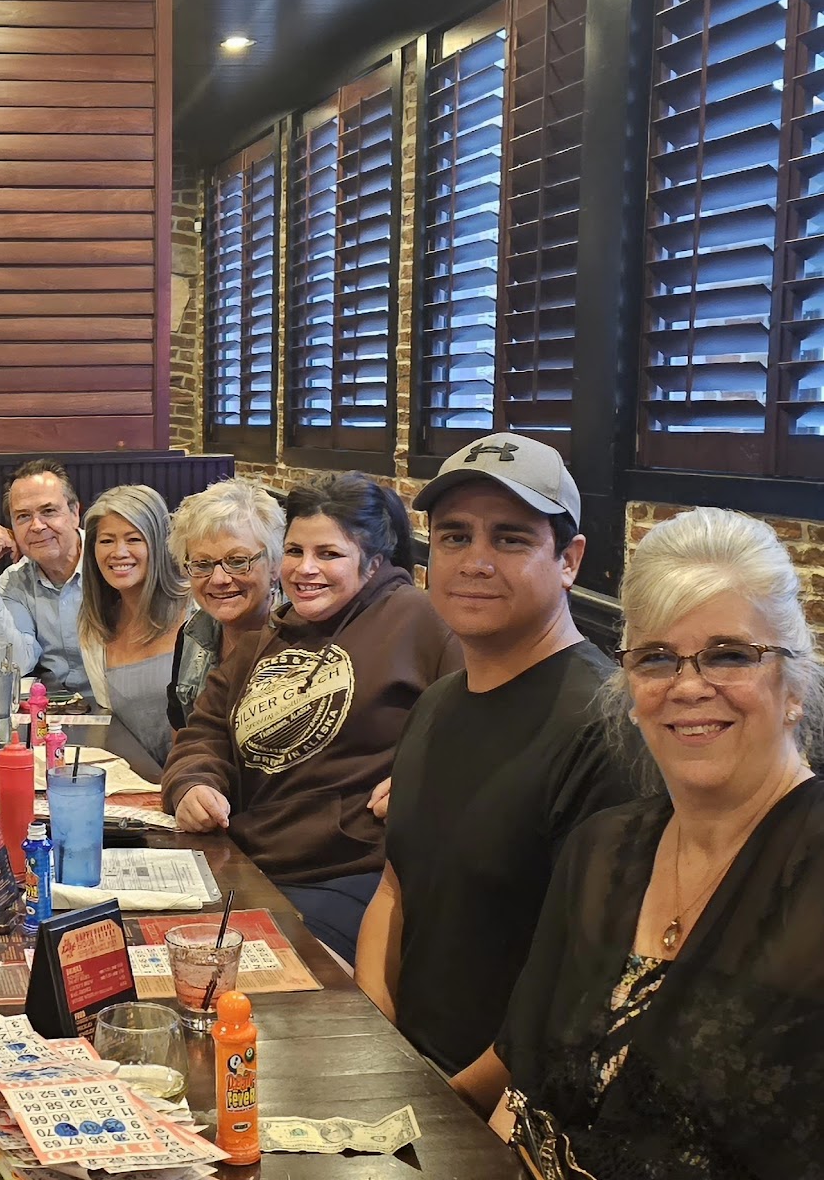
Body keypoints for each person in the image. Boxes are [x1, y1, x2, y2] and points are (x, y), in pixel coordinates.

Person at [270, 507, 824, 1180]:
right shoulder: (606, 854)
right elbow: (527, 1089)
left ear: (792, 680)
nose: (689, 686)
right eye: (657, 658)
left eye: (729, 655)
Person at [354, 433, 632, 1080]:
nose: (475, 562)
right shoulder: (438, 703)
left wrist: (454, 1101)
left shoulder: (606, 729)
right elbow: (396, 886)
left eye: (510, 539)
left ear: (569, 560)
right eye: (454, 537)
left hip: (505, 1102)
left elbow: (588, 979)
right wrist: (374, 1041)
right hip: (404, 1068)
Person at [162, 473, 459, 964]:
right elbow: (206, 730)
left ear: (373, 562)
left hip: (348, 872)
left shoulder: (420, 621)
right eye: (295, 551)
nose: (305, 569)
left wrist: (433, 780)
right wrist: (193, 783)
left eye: (329, 553)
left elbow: (487, 725)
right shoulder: (273, 635)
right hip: (246, 861)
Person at [76, 485, 189, 765]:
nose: (119, 552)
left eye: (134, 539)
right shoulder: (94, 626)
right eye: (106, 541)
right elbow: (111, 721)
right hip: (138, 778)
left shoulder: (197, 610)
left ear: (159, 544)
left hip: (200, 778)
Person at [166, 476, 287, 730]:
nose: (219, 579)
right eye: (202, 564)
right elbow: (181, 736)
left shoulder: (302, 645)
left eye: (237, 561)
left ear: (275, 564)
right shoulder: (191, 637)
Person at [0, 458, 91, 699]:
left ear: (74, 513)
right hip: (53, 711)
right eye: (23, 516)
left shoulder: (108, 563)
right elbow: (11, 663)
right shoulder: (15, 581)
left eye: (48, 511)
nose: (36, 526)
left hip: (119, 709)